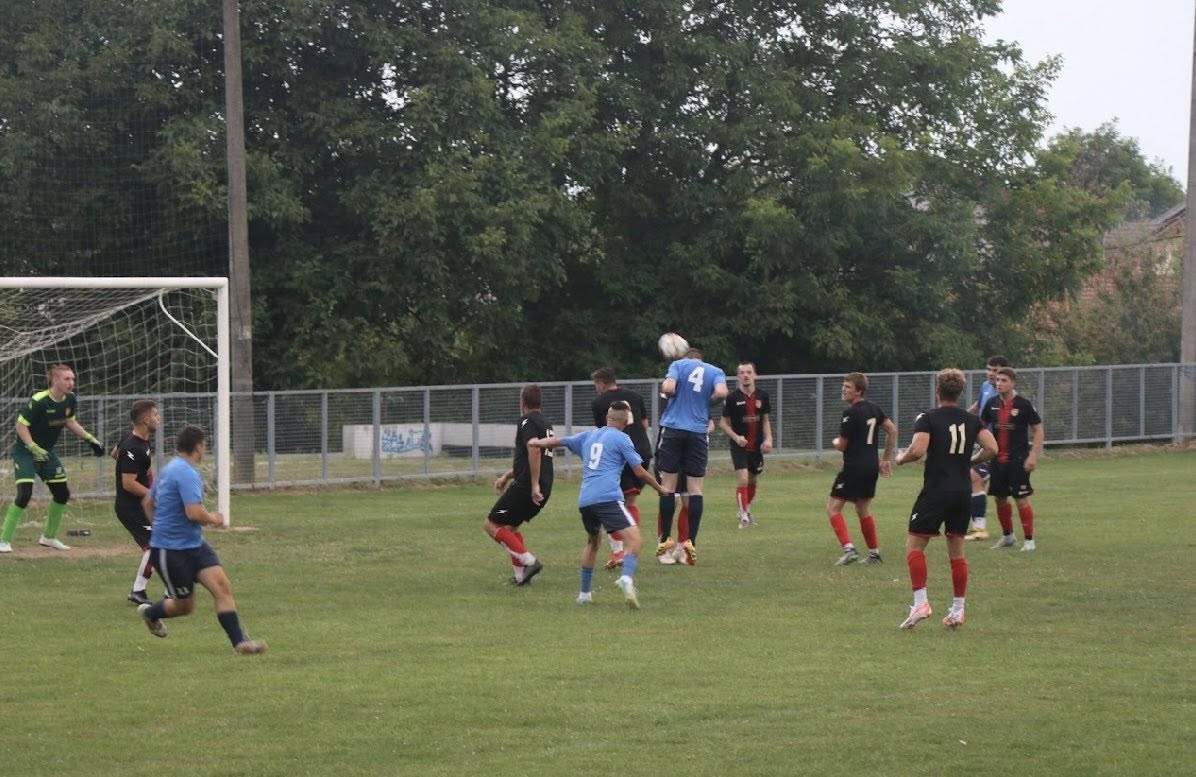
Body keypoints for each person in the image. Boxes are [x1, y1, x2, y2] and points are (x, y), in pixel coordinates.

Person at [136, 425, 266, 655]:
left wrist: (158, 525)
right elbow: (194, 513)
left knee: (223, 588)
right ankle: (151, 613)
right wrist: (214, 519)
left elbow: (147, 502)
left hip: (195, 545)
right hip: (171, 551)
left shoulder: (168, 469)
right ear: (199, 446)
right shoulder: (187, 473)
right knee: (184, 606)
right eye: (204, 445)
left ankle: (240, 643)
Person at [529, 400, 668, 608]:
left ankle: (584, 595)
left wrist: (538, 442)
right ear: (626, 421)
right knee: (635, 542)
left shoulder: (589, 435)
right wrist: (660, 489)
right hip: (608, 497)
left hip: (586, 500)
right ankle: (626, 578)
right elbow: (639, 472)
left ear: (607, 418)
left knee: (593, 543)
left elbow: (560, 441)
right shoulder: (622, 439)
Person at [895, 369, 998, 630]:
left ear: (938, 391)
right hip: (962, 492)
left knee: (915, 546)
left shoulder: (927, 417)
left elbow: (918, 450)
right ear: (960, 392)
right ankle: (958, 610)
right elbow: (992, 448)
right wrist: (971, 460)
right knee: (957, 552)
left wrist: (901, 458)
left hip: (936, 491)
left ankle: (921, 603)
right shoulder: (971, 420)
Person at [0, 364, 106, 553]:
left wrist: (90, 439)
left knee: (62, 494)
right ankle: (4, 541)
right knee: (24, 494)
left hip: (48, 453)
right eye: (66, 379)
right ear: (54, 380)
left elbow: (69, 420)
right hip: (26, 452)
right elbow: (20, 426)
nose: (71, 382)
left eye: (72, 379)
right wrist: (32, 446)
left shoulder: (71, 399)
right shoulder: (39, 400)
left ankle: (48, 537)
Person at [655, 348, 728, 565]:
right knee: (695, 489)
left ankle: (665, 540)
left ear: (686, 358)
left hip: (674, 429)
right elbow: (722, 393)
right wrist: (706, 400)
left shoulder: (678, 365)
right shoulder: (715, 370)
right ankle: (690, 543)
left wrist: (670, 393)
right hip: (698, 432)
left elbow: (668, 387)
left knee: (668, 486)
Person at [485, 384, 553, 585]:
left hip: (529, 487)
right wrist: (507, 476)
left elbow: (534, 450)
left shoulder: (526, 421)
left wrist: (533, 486)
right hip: (545, 485)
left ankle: (529, 561)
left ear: (522, 402)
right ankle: (521, 576)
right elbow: (530, 459)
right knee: (510, 528)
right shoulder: (545, 423)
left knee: (490, 524)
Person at [826, 372, 897, 565]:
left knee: (833, 508)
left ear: (859, 391)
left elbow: (841, 445)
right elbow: (892, 429)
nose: (843, 389)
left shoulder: (850, 413)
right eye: (844, 385)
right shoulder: (874, 408)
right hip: (871, 467)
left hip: (853, 467)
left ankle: (849, 549)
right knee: (863, 508)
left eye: (848, 387)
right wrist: (886, 459)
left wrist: (834, 441)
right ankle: (874, 554)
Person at [590, 368, 652, 569]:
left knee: (611, 504)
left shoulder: (599, 403)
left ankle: (619, 551)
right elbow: (644, 424)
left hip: (621, 455)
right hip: (642, 451)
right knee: (630, 501)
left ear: (601, 383)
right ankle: (627, 549)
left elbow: (604, 432)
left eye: (596, 385)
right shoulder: (635, 396)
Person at [980, 367, 1044, 551]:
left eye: (1004, 380)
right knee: (1000, 499)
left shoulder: (1023, 404)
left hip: (1018, 460)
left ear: (1013, 383)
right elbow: (981, 427)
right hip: (997, 460)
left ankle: (1029, 540)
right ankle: (1008, 536)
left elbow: (1038, 430)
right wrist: (981, 449)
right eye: (998, 380)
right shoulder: (991, 403)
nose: (999, 383)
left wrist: (1033, 456)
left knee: (1021, 498)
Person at [113, 399, 160, 605]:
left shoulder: (138, 441)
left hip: (141, 505)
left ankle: (173, 588)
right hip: (130, 508)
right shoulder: (134, 445)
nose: (159, 419)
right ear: (146, 419)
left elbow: (115, 453)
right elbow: (128, 484)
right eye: (156, 415)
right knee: (155, 546)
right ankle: (138, 591)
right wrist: (153, 494)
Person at [719, 362, 773, 528]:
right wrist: (736, 437)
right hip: (739, 446)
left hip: (756, 446)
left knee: (753, 480)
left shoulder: (762, 396)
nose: (745, 375)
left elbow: (765, 420)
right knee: (743, 479)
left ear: (755, 374)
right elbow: (723, 424)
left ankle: (746, 510)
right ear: (738, 376)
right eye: (742, 373)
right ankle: (743, 517)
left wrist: (768, 439)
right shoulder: (732, 398)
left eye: (749, 372)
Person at [963, 355, 1009, 541]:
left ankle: (980, 529)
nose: (991, 374)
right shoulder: (985, 387)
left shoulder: (1004, 394)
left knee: (975, 478)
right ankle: (978, 527)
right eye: (989, 369)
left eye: (995, 370)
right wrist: (960, 416)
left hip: (996, 448)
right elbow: (977, 407)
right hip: (982, 444)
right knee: (974, 481)